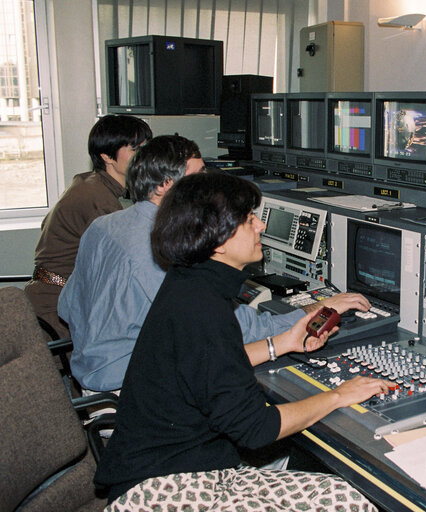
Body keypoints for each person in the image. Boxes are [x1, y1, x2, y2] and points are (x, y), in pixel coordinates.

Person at [94, 172, 390, 510]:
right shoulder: (203, 309)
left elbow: (203, 366)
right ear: (218, 240)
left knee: (336, 489)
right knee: (348, 501)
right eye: (249, 219)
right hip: (166, 488)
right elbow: (256, 429)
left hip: (172, 467)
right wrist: (339, 394)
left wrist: (281, 344)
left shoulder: (189, 283)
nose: (260, 226)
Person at [59, 135, 370, 394]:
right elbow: (235, 331)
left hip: (88, 375)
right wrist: (318, 309)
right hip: (127, 390)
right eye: (198, 176)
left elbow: (66, 306)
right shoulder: (165, 251)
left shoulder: (103, 227)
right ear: (166, 186)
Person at [25, 114, 152, 339]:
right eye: (135, 150)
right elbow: (129, 261)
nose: (145, 156)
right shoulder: (97, 198)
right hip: (55, 312)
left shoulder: (91, 184)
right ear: (106, 156)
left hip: (54, 299)